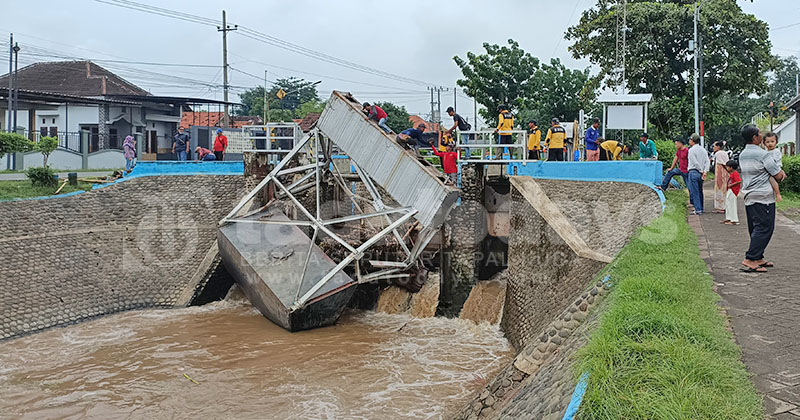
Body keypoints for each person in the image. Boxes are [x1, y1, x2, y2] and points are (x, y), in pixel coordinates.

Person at [738, 124, 786, 273]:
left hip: (749, 196)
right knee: (765, 227)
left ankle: (758, 257)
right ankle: (751, 258)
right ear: (754, 137)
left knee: (755, 227)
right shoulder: (762, 154)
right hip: (763, 196)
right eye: (759, 133)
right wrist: (782, 175)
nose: (761, 136)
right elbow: (777, 175)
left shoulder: (742, 154)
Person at [687, 133, 709, 215]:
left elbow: (695, 162)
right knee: (700, 191)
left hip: (694, 172)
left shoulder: (691, 150)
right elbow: (707, 161)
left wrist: (701, 170)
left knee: (694, 191)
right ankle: (701, 208)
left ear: (692, 141)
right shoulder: (703, 150)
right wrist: (705, 171)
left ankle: (697, 209)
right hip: (701, 173)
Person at [763, 132, 783, 202]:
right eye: (767, 142)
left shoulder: (776, 151)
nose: (770, 144)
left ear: (776, 142)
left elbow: (773, 162)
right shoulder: (765, 152)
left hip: (776, 168)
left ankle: (778, 194)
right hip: (769, 170)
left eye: (772, 141)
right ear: (764, 143)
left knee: (771, 179)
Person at [711, 141, 730, 213]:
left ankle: (720, 207)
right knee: (724, 189)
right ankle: (724, 206)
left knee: (719, 188)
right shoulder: (725, 153)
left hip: (720, 173)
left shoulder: (718, 154)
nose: (713, 148)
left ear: (718, 147)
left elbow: (722, 163)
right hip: (725, 174)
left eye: (714, 146)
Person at [723, 160, 741, 225]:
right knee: (728, 204)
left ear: (731, 167)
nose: (727, 168)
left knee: (732, 205)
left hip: (733, 190)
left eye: (727, 167)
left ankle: (733, 220)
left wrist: (731, 185)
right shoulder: (732, 174)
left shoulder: (735, 173)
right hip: (730, 190)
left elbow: (739, 181)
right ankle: (729, 218)